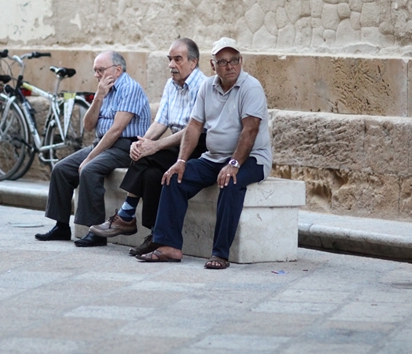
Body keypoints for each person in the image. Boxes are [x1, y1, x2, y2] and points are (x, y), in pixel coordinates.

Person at [137, 37, 272, 270]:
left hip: (252, 158)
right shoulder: (206, 87)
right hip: (213, 157)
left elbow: (250, 131)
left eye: (234, 61)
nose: (230, 66)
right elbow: (194, 126)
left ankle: (220, 253)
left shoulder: (251, 87)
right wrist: (181, 161)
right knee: (174, 178)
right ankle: (169, 246)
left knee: (231, 183)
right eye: (223, 62)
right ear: (213, 65)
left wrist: (233, 164)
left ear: (241, 62)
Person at [88, 38, 208, 257]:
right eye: (170, 59)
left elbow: (194, 130)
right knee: (152, 173)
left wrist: (155, 146)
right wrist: (143, 142)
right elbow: (161, 121)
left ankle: (126, 215)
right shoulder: (171, 85)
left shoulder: (203, 86)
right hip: (176, 144)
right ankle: (156, 236)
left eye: (178, 59)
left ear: (193, 62)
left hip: (198, 145)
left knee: (145, 157)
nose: (171, 64)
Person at [35, 50, 151, 247]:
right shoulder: (104, 90)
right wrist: (98, 96)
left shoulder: (130, 88)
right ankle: (62, 226)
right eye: (95, 71)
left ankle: (96, 232)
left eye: (100, 70)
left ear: (118, 69)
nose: (97, 74)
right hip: (102, 144)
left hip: (125, 147)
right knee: (61, 169)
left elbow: (116, 131)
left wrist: (89, 158)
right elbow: (89, 126)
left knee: (89, 169)